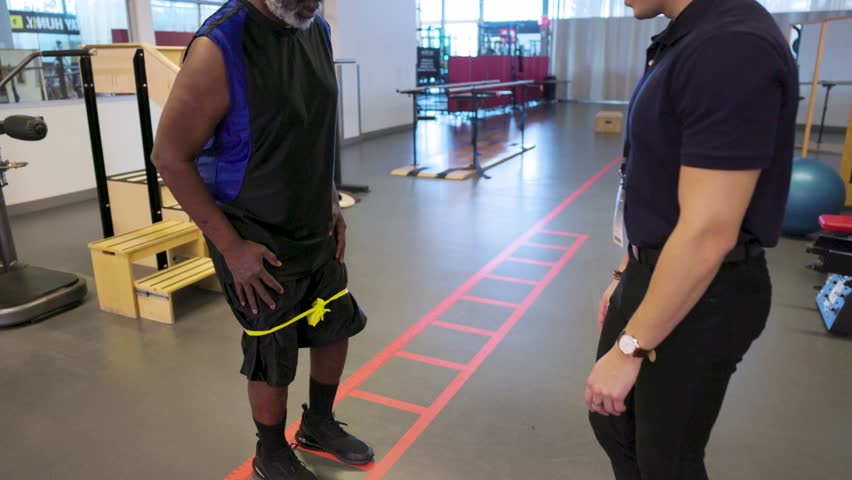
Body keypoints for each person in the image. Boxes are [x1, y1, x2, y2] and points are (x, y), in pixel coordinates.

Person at [151, 0, 373, 478]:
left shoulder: (314, 28)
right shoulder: (218, 47)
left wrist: (330, 198)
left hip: (313, 218)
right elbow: (169, 157)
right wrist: (232, 249)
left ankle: (318, 424)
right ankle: (270, 452)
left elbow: (312, 126)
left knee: (334, 323)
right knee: (273, 347)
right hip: (252, 232)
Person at [585, 0, 798, 478]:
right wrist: (627, 271)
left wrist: (630, 349)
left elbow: (707, 232)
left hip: (705, 291)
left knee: (667, 460)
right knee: (615, 427)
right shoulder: (684, 37)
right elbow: (653, 179)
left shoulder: (731, 47)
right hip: (651, 268)